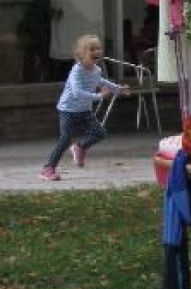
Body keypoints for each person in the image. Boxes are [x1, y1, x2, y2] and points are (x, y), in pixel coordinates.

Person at [41, 34, 128, 181]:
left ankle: (80, 147)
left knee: (99, 133)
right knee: (65, 138)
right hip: (68, 110)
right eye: (92, 49)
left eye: (98, 49)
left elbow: (101, 82)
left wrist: (118, 89)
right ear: (81, 55)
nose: (97, 52)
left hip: (84, 111)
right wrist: (99, 96)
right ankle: (48, 168)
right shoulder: (77, 71)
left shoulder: (96, 70)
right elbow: (77, 93)